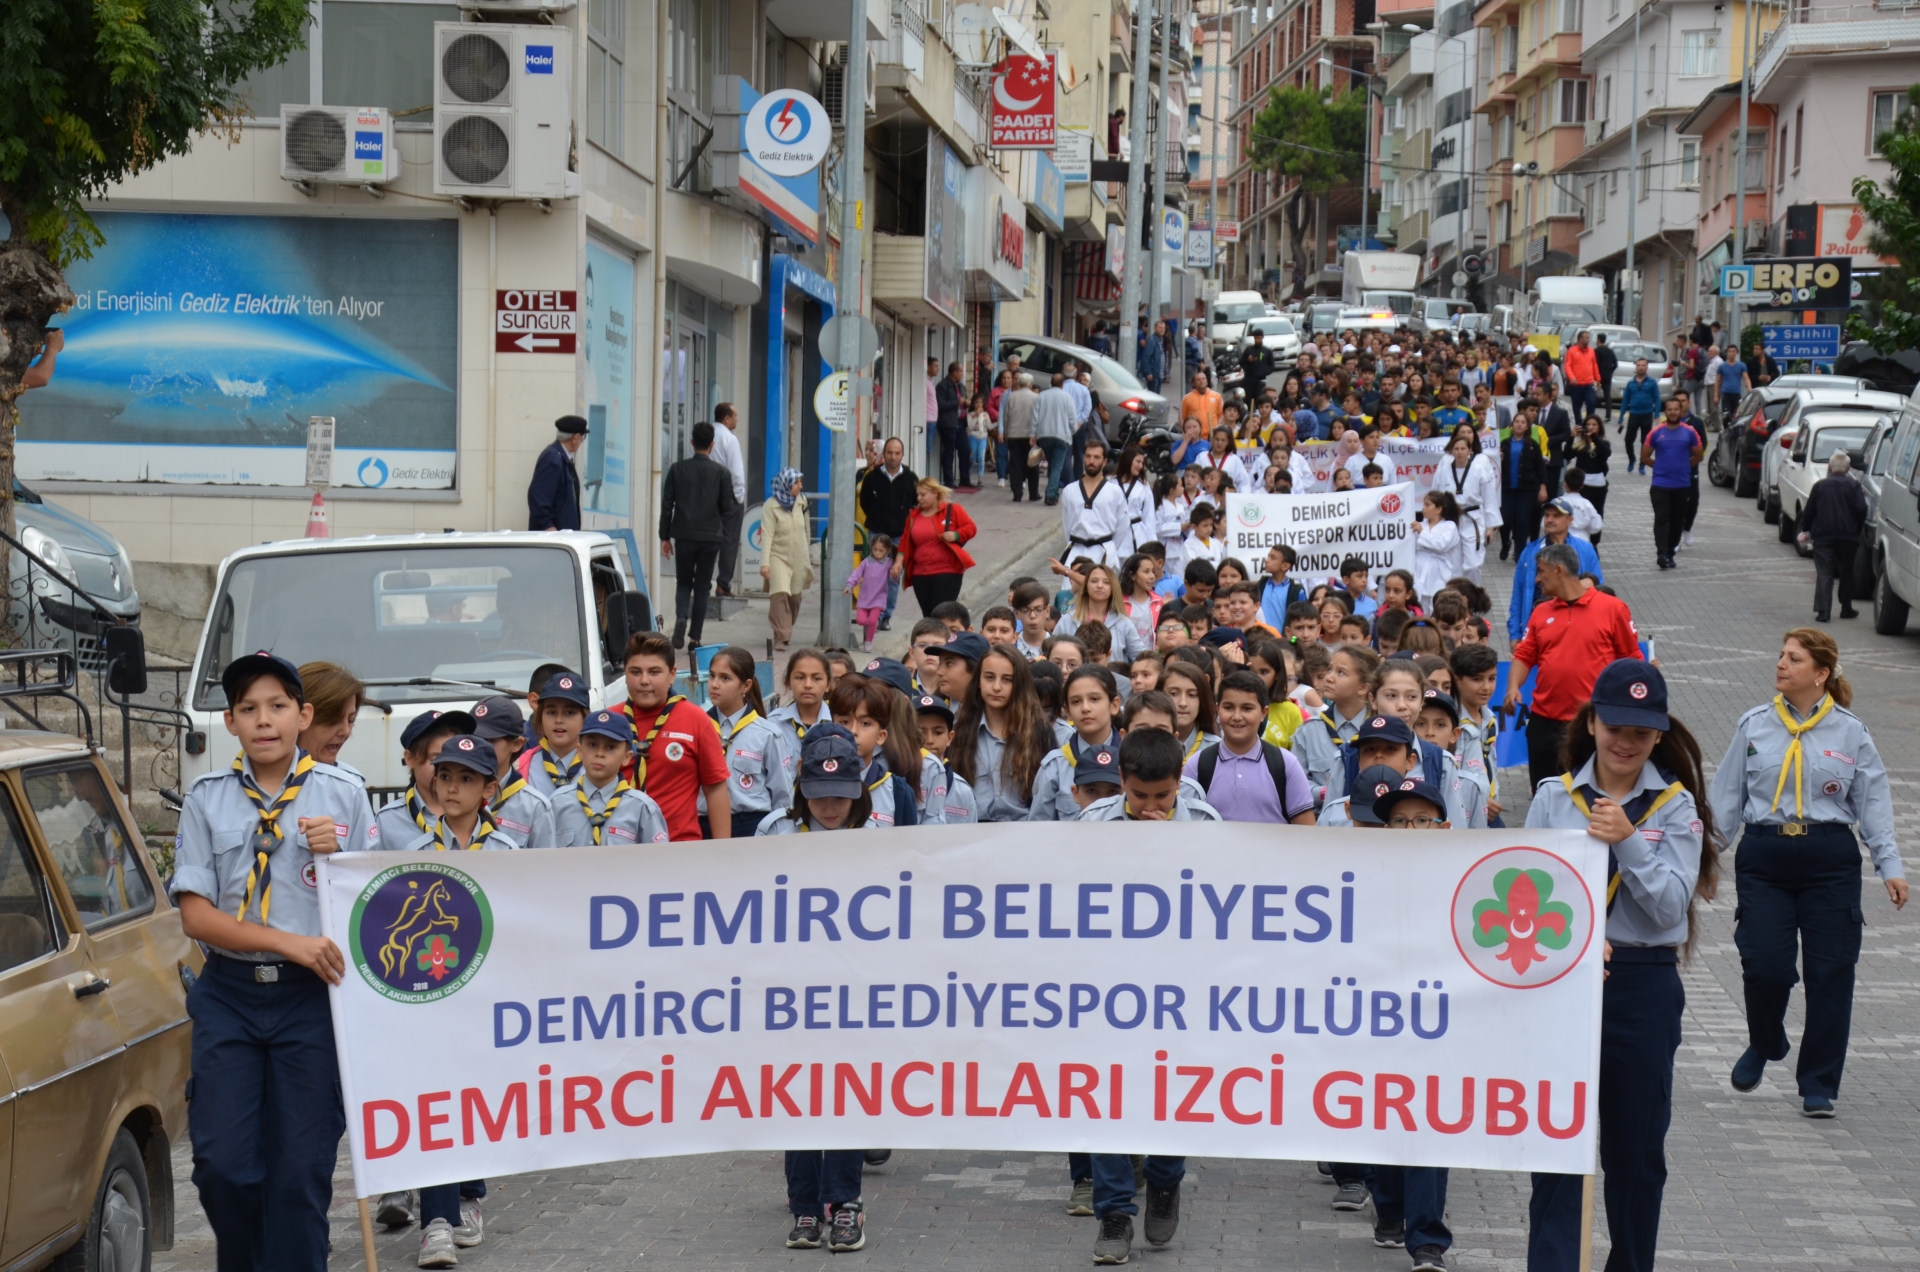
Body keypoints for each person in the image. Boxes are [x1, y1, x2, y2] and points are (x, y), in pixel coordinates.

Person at [169, 652, 381, 1272]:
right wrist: (290, 942)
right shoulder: (207, 799)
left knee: (298, 1175)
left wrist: (339, 855)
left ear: (303, 715)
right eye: (248, 709)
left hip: (310, 1000)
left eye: (278, 706)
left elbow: (375, 902)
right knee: (223, 1168)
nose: (264, 720)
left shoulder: (345, 795)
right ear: (231, 722)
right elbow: (196, 916)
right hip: (229, 996)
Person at [1525, 658, 1719, 1272]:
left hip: (1642, 986)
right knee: (1557, 1149)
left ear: (1658, 735)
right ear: (1592, 723)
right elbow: (1524, 894)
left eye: (1641, 732)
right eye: (1615, 727)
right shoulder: (1554, 797)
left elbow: (1670, 909)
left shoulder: (1675, 806)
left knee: (1635, 1156)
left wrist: (1628, 838)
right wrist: (1576, 940)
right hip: (1562, 983)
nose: (1625, 742)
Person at [1709, 628, 1906, 1117]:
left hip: (1829, 859)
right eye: (1781, 655)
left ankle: (1818, 1082)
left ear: (1821, 674)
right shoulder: (1754, 725)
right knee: (1765, 966)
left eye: (1794, 659)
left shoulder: (1851, 732)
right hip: (1765, 856)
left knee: (1831, 973)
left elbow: (1873, 802)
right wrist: (1703, 862)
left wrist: (1890, 865)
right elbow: (1726, 799)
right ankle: (1766, 1040)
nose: (1781, 664)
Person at [1503, 542, 1642, 790]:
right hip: (1544, 723)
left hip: (1592, 723)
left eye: (1540, 571)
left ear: (1558, 570)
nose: (1536, 579)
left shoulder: (1613, 609)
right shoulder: (1540, 612)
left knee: (1590, 796)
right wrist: (1513, 687)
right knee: (1545, 793)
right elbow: (1525, 655)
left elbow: (1631, 661)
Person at [609, 631, 731, 840]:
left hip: (679, 845)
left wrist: (722, 849)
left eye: (654, 672)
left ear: (672, 675)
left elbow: (715, 789)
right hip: (619, 845)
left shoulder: (696, 720)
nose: (644, 680)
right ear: (625, 674)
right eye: (635, 672)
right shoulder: (608, 721)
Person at [1182, 670, 1316, 824]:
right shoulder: (1197, 765)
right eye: (1228, 707)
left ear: (1263, 713)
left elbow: (1306, 830)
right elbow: (1184, 824)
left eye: (1247, 708)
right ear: (1217, 709)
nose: (1237, 717)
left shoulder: (1285, 764)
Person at [659, 420, 741, 648]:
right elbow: (727, 507)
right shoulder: (722, 473)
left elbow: (667, 505)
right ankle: (695, 638)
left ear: (692, 442)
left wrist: (664, 536)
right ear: (712, 444)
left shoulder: (677, 469)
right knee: (703, 586)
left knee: (683, 582)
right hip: (710, 536)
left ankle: (681, 616)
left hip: (684, 534)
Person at [951, 644, 1055, 821]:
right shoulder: (960, 730)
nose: (997, 687)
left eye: (1007, 679)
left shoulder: (1039, 731)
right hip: (973, 829)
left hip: (1024, 829)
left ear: (1019, 684)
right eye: (989, 677)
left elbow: (1048, 791)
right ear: (978, 681)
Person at [552, 710, 672, 846]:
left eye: (610, 747)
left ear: (627, 757)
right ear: (579, 751)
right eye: (592, 745)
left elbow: (659, 857)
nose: (600, 753)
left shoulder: (641, 807)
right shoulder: (557, 803)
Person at [1505, 501, 1603, 645]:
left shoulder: (1585, 550)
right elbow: (1518, 594)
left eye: (1556, 516)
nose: (1549, 520)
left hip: (1575, 627)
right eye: (1547, 515)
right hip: (1538, 624)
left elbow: (1599, 590)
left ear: (1570, 520)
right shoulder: (1530, 551)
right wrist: (1515, 634)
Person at [1800, 452, 1868, 622]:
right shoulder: (1854, 486)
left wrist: (1806, 530)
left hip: (1823, 536)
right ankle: (1846, 608)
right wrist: (1857, 528)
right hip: (1848, 537)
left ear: (1830, 467)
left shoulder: (1820, 486)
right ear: (1849, 468)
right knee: (1847, 571)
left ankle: (1823, 611)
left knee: (1824, 572)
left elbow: (1809, 511)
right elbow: (1861, 509)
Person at [859, 438, 918, 631]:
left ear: (902, 455)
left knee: (893, 576)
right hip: (877, 532)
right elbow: (865, 502)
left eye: (897, 453)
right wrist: (876, 519)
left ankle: (885, 615)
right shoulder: (872, 477)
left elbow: (916, 503)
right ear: (883, 454)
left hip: (900, 535)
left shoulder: (911, 478)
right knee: (874, 575)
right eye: (890, 452)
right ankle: (873, 613)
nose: (893, 457)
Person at [895, 478, 978, 615]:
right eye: (918, 494)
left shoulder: (952, 509)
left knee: (941, 615)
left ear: (935, 493)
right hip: (920, 573)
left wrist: (956, 535)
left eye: (923, 494)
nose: (919, 498)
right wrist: (898, 562)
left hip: (947, 571)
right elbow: (904, 541)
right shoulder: (913, 516)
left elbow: (971, 528)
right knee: (928, 616)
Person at [1641, 397, 1702, 570]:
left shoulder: (1690, 432)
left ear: (1681, 411)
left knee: (1677, 521)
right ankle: (1661, 553)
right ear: (1665, 412)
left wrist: (1684, 467)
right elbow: (1644, 457)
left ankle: (1670, 553)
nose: (1673, 412)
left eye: (1676, 409)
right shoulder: (1656, 432)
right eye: (1670, 409)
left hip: (1682, 484)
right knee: (1662, 519)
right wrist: (1660, 467)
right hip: (1660, 484)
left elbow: (1699, 455)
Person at [1061, 437, 1135, 569]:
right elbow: (1066, 524)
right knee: (1071, 583)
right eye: (1088, 456)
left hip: (1104, 550)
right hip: (1075, 550)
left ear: (1104, 461)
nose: (1091, 461)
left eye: (1096, 457)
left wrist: (1110, 546)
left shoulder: (1115, 491)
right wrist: (1073, 541)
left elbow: (1123, 525)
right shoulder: (1069, 490)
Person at [760, 467, 813, 650]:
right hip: (778, 556)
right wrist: (765, 563)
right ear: (786, 484)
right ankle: (781, 636)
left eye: (800, 482)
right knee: (780, 593)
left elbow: (806, 530)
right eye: (796, 482)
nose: (800, 486)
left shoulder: (802, 502)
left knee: (795, 597)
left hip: (799, 556)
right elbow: (767, 535)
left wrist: (808, 554)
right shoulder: (771, 506)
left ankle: (785, 627)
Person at [1438, 427, 1500, 583]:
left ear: (1470, 450)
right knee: (1453, 565)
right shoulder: (1444, 470)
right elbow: (1436, 497)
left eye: (1463, 449)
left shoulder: (1479, 470)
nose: (1460, 452)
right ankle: (1456, 594)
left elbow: (1489, 499)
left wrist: (1491, 527)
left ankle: (1473, 594)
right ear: (1451, 451)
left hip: (1473, 519)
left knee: (1473, 564)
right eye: (1456, 449)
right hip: (1451, 520)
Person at [294, 661, 364, 770]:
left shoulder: (350, 780)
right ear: (301, 718)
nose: (346, 731)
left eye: (350, 720)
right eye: (333, 720)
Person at [710, 402, 749, 597]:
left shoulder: (706, 434)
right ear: (726, 418)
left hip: (707, 494)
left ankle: (703, 582)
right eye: (735, 416)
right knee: (729, 539)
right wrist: (739, 497)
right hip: (728, 495)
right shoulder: (729, 439)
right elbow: (736, 472)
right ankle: (723, 584)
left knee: (708, 539)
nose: (737, 419)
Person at [527, 414, 586, 531]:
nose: (583, 440)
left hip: (563, 534)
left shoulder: (562, 458)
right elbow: (538, 496)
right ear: (575, 438)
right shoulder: (553, 458)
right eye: (582, 436)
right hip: (554, 537)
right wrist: (547, 525)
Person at [1411, 490, 1465, 610]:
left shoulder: (1449, 526)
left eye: (1427, 505)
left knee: (1438, 606)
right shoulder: (1419, 525)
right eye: (1423, 504)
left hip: (1439, 574)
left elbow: (1441, 545)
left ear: (1438, 509)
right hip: (1420, 571)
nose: (1423, 508)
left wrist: (1421, 532)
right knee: (1420, 607)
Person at [1033, 371, 1079, 505]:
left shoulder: (1042, 396)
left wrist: (1033, 434)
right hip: (1061, 436)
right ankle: (1051, 494)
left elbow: (1035, 417)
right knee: (1057, 466)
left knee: (1053, 465)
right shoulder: (1067, 397)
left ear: (1051, 383)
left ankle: (1053, 492)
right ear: (1062, 384)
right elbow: (1073, 420)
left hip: (1044, 436)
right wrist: (1072, 431)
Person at [845, 534, 894, 651]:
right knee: (860, 620)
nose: (877, 553)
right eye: (875, 549)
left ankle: (868, 641)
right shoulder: (866, 562)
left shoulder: (889, 563)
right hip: (864, 598)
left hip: (879, 598)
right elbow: (856, 575)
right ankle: (873, 625)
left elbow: (893, 578)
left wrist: (896, 574)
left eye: (881, 550)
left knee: (872, 620)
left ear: (888, 551)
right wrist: (849, 585)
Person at [1002, 372, 1042, 501]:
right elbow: (1039, 418)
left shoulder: (1011, 396)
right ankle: (1033, 493)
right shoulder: (1036, 397)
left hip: (1014, 435)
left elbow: (1006, 417)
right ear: (1030, 384)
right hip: (1030, 436)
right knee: (1032, 464)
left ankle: (1017, 494)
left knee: (1015, 465)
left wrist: (1006, 433)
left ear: (1019, 383)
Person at [936, 360, 971, 488]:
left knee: (965, 450)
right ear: (954, 372)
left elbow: (964, 400)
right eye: (960, 371)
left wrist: (967, 403)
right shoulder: (942, 385)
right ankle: (948, 480)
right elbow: (940, 404)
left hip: (961, 423)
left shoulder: (961, 386)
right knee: (949, 452)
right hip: (948, 423)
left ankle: (965, 479)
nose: (962, 374)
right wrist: (956, 402)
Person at [1563, 330, 1600, 423]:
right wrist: (1572, 377)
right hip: (1577, 384)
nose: (1588, 339)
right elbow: (1567, 365)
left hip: (1589, 384)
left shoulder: (1591, 351)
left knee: (1591, 403)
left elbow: (1594, 365)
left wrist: (1598, 379)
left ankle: (1589, 423)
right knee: (1577, 407)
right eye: (1586, 338)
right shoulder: (1572, 351)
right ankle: (1579, 425)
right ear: (1580, 339)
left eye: (1588, 337)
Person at [1180, 369, 1223, 435]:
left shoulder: (1217, 396)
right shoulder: (1186, 398)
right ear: (1193, 383)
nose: (1201, 381)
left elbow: (1222, 415)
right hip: (1194, 436)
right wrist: (1187, 432)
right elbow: (1182, 418)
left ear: (1207, 381)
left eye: (1203, 379)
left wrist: (1217, 429)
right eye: (1198, 379)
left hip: (1212, 435)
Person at [1714, 348, 1751, 423]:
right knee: (1726, 414)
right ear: (1727, 353)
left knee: (1736, 414)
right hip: (1726, 392)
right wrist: (1716, 395)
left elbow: (1746, 377)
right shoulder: (1722, 366)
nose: (1731, 353)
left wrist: (1749, 388)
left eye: (1733, 351)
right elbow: (1717, 381)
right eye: (1729, 351)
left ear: (1736, 352)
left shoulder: (1741, 365)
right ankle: (1726, 428)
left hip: (1736, 392)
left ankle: (1734, 428)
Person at [1593, 333, 1618, 421]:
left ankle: (1591, 414)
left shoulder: (1596, 350)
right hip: (1607, 376)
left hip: (1598, 376)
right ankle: (1608, 416)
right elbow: (1615, 364)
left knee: (1593, 395)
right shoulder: (1610, 350)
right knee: (1607, 396)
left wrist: (1596, 375)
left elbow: (1595, 363)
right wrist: (1610, 371)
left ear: (1598, 339)